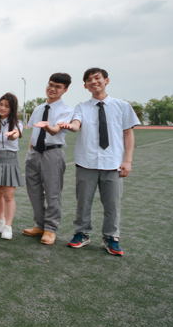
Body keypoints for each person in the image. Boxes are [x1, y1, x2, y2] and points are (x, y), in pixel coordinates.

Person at [58, 68, 139, 256]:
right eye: (89, 80)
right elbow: (76, 124)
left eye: (97, 78)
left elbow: (128, 133)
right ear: (85, 86)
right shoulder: (81, 107)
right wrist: (71, 126)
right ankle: (82, 233)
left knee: (112, 204)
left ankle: (111, 237)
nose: (93, 82)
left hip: (113, 164)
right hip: (86, 163)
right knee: (83, 202)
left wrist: (128, 160)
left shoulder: (122, 106)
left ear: (106, 80)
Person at [22, 73, 74, 246]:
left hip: (52, 154)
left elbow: (55, 131)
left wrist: (48, 126)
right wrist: (29, 154)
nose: (52, 89)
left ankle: (50, 229)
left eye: (58, 87)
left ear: (65, 90)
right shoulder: (38, 109)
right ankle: (39, 225)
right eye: (50, 84)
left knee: (53, 193)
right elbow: (34, 133)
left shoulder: (66, 110)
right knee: (34, 192)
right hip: (34, 154)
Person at [0, 93, 24, 240]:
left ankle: (8, 226)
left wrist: (12, 134)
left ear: (12, 109)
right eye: (0, 104)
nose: (2, 108)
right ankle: (0, 220)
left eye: (7, 106)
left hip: (9, 159)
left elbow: (15, 134)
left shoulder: (17, 123)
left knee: (8, 195)